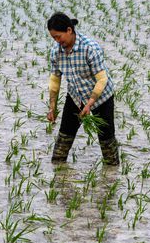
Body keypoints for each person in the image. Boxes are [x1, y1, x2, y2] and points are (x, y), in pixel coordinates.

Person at [46, 12, 120, 165]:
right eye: (54, 38)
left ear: (69, 30)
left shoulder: (90, 48)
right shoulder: (56, 52)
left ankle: (112, 173)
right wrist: (52, 106)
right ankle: (59, 175)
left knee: (106, 140)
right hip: (75, 96)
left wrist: (89, 104)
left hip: (101, 97)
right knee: (64, 137)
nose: (57, 41)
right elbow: (55, 79)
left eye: (58, 36)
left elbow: (102, 79)